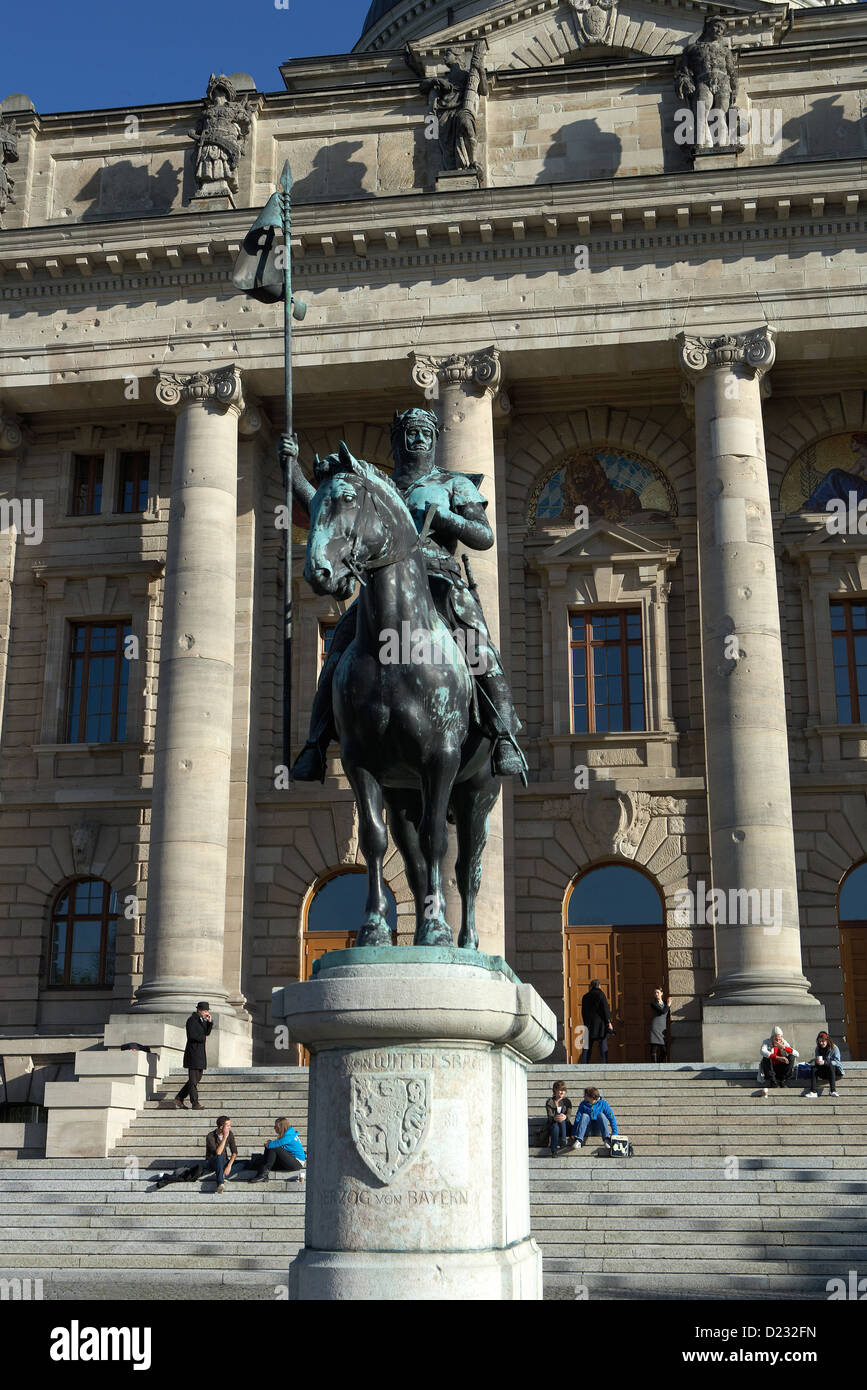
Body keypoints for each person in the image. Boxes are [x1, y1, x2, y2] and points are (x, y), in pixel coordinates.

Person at [281, 412, 527, 783]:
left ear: (435, 440)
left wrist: (447, 520)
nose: (418, 440)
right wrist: (294, 471)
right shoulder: (378, 488)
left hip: (440, 579)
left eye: (425, 433)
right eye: (410, 434)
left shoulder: (453, 484)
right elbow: (326, 507)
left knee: (477, 642)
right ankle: (315, 744)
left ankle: (503, 733)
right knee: (338, 650)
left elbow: (483, 536)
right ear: (397, 442)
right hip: (383, 585)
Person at [154, 1115, 238, 1194]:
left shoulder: (230, 1134)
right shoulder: (210, 1136)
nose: (229, 1127)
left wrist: (229, 1166)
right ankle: (220, 1183)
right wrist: (224, 1138)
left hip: (224, 1162)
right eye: (228, 1126)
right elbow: (218, 1153)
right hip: (212, 1162)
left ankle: (222, 1173)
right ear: (221, 1127)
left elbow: (234, 1152)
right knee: (219, 1158)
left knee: (245, 1163)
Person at [174, 1000, 212, 1110]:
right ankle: (195, 1103)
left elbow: (207, 1033)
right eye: (205, 1010)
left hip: (200, 1054)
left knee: (196, 1079)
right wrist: (203, 1038)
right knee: (193, 1080)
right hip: (193, 1054)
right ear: (199, 1010)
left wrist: (209, 1022)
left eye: (207, 1011)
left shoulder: (202, 1021)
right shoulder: (192, 1020)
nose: (206, 1013)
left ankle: (179, 1097)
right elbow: (191, 1036)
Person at [250, 1117, 306, 1182]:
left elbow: (273, 1145)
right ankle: (262, 1173)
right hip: (290, 1161)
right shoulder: (288, 1134)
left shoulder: (289, 1136)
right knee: (259, 1162)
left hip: (296, 1162)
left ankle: (263, 1175)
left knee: (273, 1147)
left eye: (276, 1126)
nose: (274, 1128)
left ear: (280, 1127)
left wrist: (269, 1144)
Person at [580, 980, 613, 1064]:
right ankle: (604, 1063)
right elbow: (605, 1009)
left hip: (589, 1024)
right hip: (600, 1025)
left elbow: (583, 1012)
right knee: (602, 1045)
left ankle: (584, 1063)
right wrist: (609, 1022)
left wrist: (586, 1023)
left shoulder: (585, 996)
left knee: (587, 1046)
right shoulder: (601, 994)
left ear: (591, 986)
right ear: (599, 986)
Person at [757, 1027, 799, 1093]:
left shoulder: (784, 1042)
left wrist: (784, 1048)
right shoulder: (766, 1042)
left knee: (791, 1057)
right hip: (771, 1070)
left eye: (779, 1039)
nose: (778, 1041)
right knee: (766, 1058)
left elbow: (797, 1054)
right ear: (772, 1037)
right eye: (776, 1039)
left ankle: (782, 1080)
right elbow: (762, 1051)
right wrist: (777, 1057)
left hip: (781, 1069)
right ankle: (773, 1082)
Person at [807, 1031, 844, 1097]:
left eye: (823, 1041)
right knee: (814, 1068)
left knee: (831, 1065)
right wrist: (817, 1062)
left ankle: (833, 1090)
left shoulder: (834, 1048)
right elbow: (817, 1059)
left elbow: (838, 1062)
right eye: (819, 1041)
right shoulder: (818, 1049)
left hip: (836, 1072)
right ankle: (813, 1091)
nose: (821, 1043)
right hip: (824, 1072)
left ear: (827, 1040)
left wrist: (825, 1062)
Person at [545, 1080, 573, 1157]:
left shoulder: (567, 1102)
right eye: (560, 1090)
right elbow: (550, 1116)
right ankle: (554, 1151)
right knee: (555, 1126)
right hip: (553, 1126)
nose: (562, 1092)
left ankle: (563, 1141)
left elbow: (568, 1116)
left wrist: (565, 1116)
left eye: (564, 1090)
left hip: (565, 1126)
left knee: (562, 1118)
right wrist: (554, 1118)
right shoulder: (550, 1101)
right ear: (555, 1091)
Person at [650, 988, 672, 1063]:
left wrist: (668, 1005)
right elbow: (662, 1011)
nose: (656, 994)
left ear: (662, 993)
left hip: (663, 1027)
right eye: (655, 992)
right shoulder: (653, 1004)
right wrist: (668, 1005)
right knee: (654, 1047)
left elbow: (667, 1015)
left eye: (658, 992)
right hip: (655, 1026)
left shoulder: (665, 1003)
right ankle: (654, 1066)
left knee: (664, 1051)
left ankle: (658, 1064)